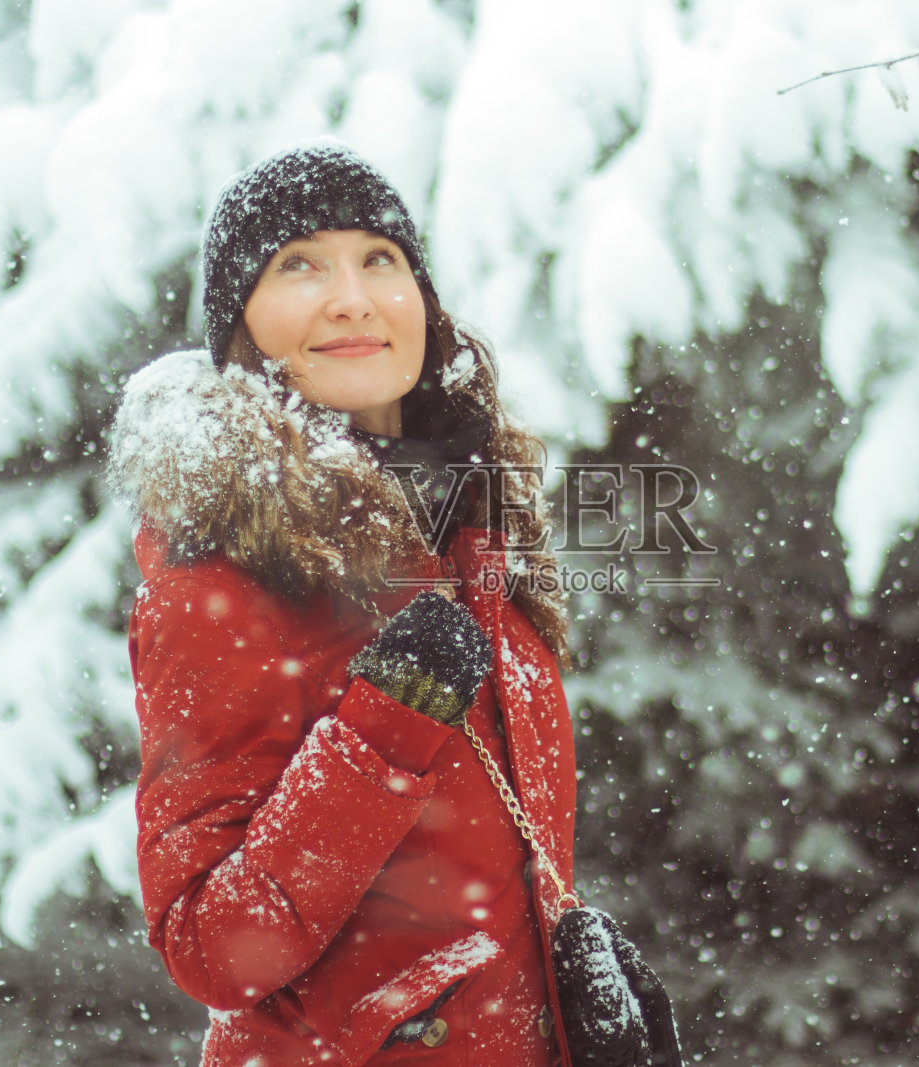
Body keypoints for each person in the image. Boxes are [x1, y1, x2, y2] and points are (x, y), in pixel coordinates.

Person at [109, 140, 579, 1066]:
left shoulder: (473, 532)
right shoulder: (221, 582)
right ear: (241, 327)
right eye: (299, 267)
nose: (353, 297)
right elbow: (211, 944)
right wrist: (383, 732)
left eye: (380, 260)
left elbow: (492, 884)